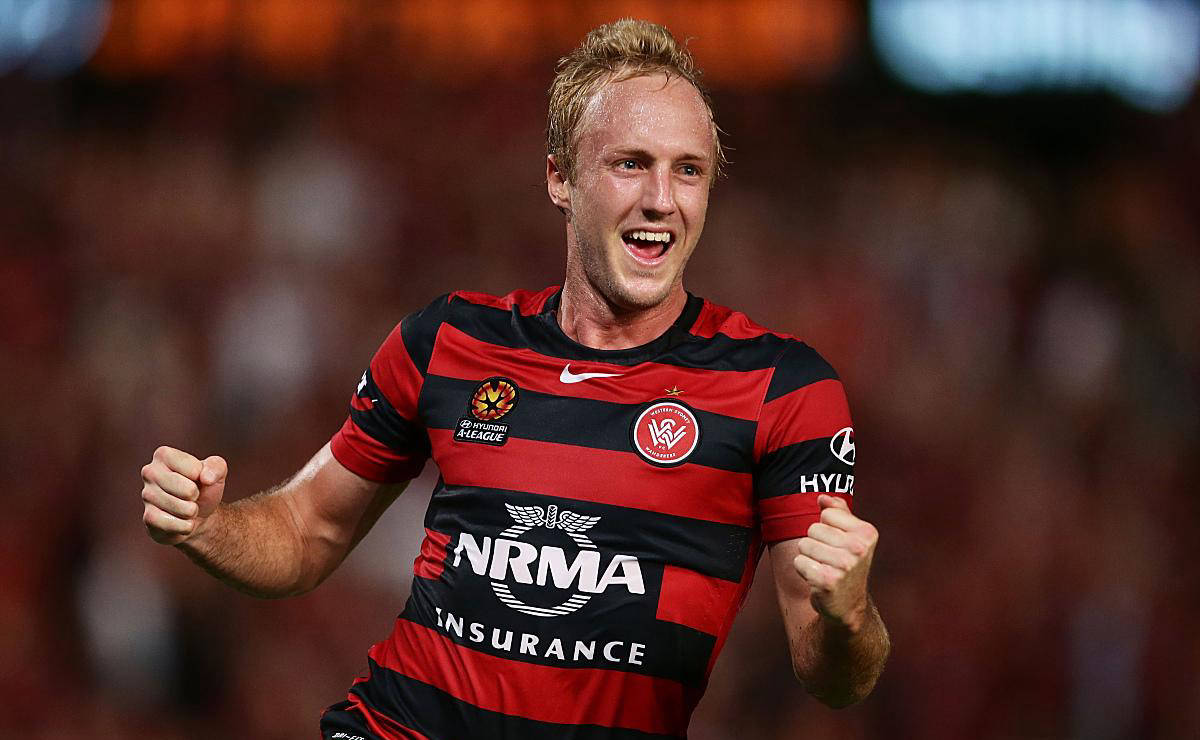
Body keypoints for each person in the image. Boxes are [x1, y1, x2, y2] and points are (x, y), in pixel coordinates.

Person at [140, 18, 889, 740]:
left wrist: (849, 615)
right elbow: (310, 530)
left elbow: (832, 676)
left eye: (687, 170)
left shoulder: (781, 390)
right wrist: (209, 526)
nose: (662, 199)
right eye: (630, 164)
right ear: (561, 178)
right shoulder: (448, 340)